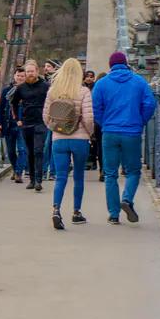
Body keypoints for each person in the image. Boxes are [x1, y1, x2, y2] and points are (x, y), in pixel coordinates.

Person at [93, 52, 157, 224]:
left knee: (110, 174)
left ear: (110, 65)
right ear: (126, 64)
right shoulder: (139, 81)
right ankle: (127, 199)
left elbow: (96, 108)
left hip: (110, 133)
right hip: (132, 132)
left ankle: (114, 214)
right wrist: (140, 121)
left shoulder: (101, 84)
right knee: (133, 171)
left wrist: (105, 122)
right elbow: (150, 104)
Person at [44, 59, 94, 229]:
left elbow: (45, 117)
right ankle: (76, 212)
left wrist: (56, 129)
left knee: (60, 176)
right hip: (80, 140)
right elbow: (88, 118)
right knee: (79, 176)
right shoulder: (83, 91)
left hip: (59, 139)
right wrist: (89, 133)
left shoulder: (53, 91)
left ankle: (56, 209)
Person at [10, 59, 50, 192]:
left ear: (37, 72)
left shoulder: (45, 86)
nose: (30, 74)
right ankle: (32, 179)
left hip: (41, 122)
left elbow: (52, 101)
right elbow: (14, 103)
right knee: (30, 152)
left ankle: (39, 180)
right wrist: (18, 119)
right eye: (28, 72)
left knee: (39, 150)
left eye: (32, 71)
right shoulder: (21, 88)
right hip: (26, 123)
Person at [0, 68, 26, 182]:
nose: (20, 78)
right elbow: (1, 107)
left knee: (22, 149)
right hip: (9, 124)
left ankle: (19, 173)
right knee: (10, 151)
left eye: (22, 76)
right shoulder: (6, 90)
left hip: (23, 125)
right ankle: (15, 168)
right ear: (14, 76)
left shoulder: (27, 90)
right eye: (18, 75)